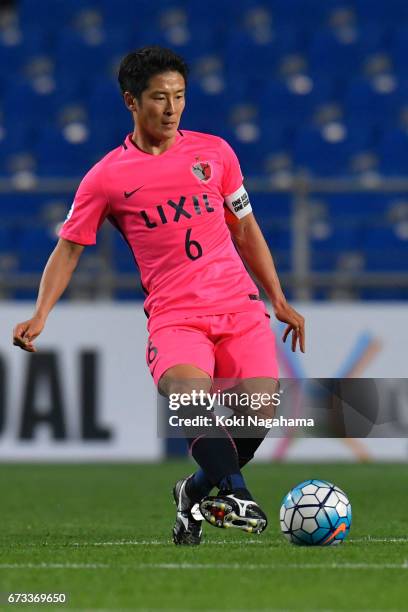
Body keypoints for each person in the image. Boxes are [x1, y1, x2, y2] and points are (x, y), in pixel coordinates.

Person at [13, 46, 305, 546]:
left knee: (258, 411)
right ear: (131, 101)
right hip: (176, 316)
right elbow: (68, 250)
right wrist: (41, 313)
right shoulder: (107, 177)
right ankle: (235, 492)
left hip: (238, 306)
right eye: (159, 98)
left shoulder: (216, 154)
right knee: (186, 395)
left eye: (180, 97)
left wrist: (277, 297)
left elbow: (246, 229)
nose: (171, 109)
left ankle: (193, 493)